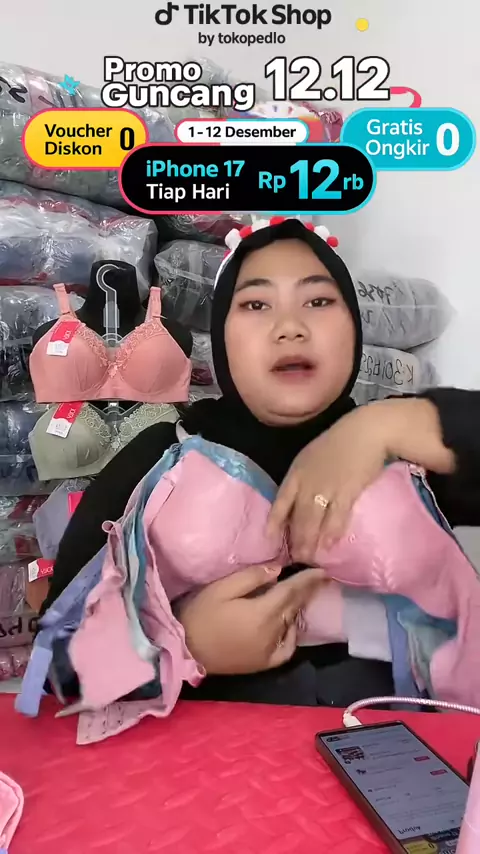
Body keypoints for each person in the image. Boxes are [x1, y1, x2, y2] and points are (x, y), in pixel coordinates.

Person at [40, 217, 480, 708]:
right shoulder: (160, 458)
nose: (290, 327)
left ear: (354, 327)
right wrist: (184, 647)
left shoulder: (409, 449)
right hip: (210, 753)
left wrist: (393, 421)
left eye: (318, 301)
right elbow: (57, 667)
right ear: (222, 336)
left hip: (399, 749)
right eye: (255, 304)